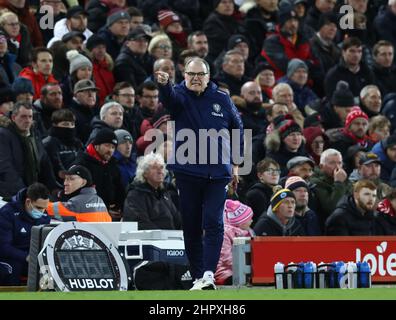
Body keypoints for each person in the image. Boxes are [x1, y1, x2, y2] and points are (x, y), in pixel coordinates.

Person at [156, 57, 243, 290]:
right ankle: (197, 276)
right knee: (192, 225)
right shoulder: (178, 95)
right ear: (184, 75)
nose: (195, 78)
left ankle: (207, 274)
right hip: (187, 171)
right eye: (191, 74)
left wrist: (236, 164)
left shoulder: (222, 99)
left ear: (207, 76)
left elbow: (238, 129)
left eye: (200, 74)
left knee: (213, 222)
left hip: (218, 173)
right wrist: (163, 85)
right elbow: (168, 100)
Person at [0, 183, 50, 285]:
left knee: (50, 269)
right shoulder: (7, 213)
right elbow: (3, 247)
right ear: (28, 202)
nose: (42, 212)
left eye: (45, 208)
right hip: (8, 257)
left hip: (32, 257)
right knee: (12, 269)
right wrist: (27, 257)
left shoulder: (44, 216)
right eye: (39, 207)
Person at [123, 153, 181, 230]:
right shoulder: (135, 195)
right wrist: (163, 238)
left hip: (172, 239)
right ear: (145, 173)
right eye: (154, 167)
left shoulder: (165, 194)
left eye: (161, 167)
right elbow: (140, 223)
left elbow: (178, 220)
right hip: (150, 240)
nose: (160, 171)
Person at [47, 165, 111, 222]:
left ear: (83, 182)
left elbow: (46, 208)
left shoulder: (76, 202)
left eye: (71, 179)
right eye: (65, 179)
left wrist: (40, 201)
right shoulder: (99, 200)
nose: (65, 183)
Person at [215, 200, 254, 285]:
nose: (252, 221)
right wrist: (242, 265)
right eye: (249, 219)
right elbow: (225, 257)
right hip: (223, 270)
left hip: (244, 268)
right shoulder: (225, 233)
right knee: (234, 278)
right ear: (240, 221)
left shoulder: (249, 233)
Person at [245, 158, 281, 225]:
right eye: (270, 170)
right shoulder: (256, 194)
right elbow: (261, 221)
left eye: (277, 171)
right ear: (260, 175)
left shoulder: (279, 192)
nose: (274, 174)